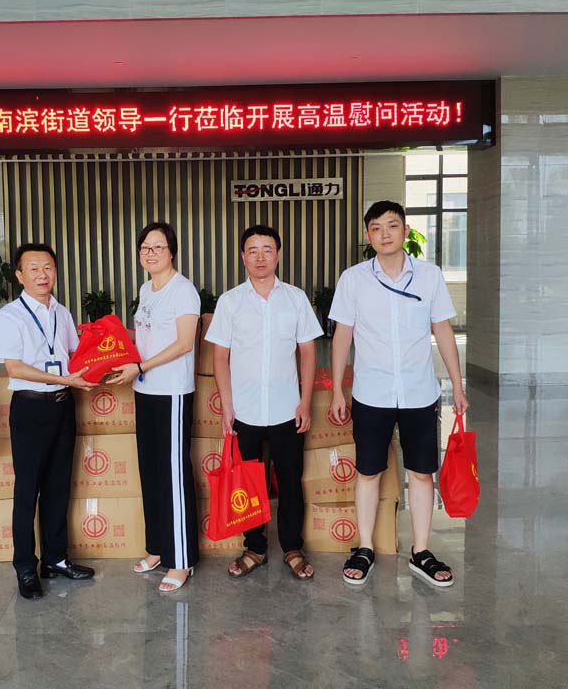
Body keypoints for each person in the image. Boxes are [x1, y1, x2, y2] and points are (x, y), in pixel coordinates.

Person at [328, 200, 469, 588]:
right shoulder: (354, 279)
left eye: (392, 225)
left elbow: (443, 331)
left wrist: (457, 386)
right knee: (368, 472)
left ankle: (421, 551)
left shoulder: (429, 276)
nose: (384, 233)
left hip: (419, 392)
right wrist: (338, 390)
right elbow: (342, 336)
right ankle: (365, 547)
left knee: (421, 473)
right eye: (376, 228)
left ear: (406, 231)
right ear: (367, 236)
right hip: (371, 393)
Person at [206, 225, 323, 581]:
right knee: (248, 482)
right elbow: (220, 358)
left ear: (278, 255)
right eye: (253, 251)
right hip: (245, 411)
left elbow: (307, 352)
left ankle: (292, 548)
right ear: (243, 257)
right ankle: (254, 548)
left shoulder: (296, 299)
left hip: (288, 409)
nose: (260, 257)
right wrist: (227, 407)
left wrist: (305, 402)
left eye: (267, 250)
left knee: (290, 481)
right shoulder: (230, 302)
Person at [0, 242, 96, 600]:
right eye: (33, 268)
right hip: (30, 408)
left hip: (64, 407)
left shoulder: (62, 313)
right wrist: (64, 378)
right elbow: (15, 368)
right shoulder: (9, 317)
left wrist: (105, 357)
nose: (42, 275)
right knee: (27, 490)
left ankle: (55, 559)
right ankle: (25, 566)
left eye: (48, 267)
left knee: (58, 486)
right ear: (19, 275)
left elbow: (74, 355)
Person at [108, 221, 200, 593]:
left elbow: (184, 343)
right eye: (145, 247)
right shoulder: (146, 289)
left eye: (158, 247)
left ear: (172, 252)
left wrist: (141, 366)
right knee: (151, 472)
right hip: (145, 390)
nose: (151, 253)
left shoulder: (183, 291)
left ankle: (182, 559)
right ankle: (159, 548)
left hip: (172, 394)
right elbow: (145, 337)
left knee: (173, 475)